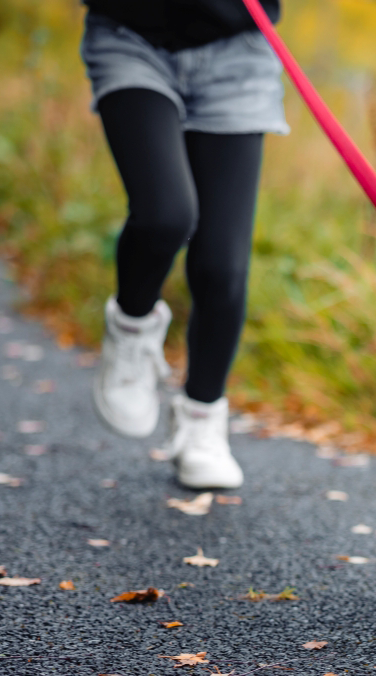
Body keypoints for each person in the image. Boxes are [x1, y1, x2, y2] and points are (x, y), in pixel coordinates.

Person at [79, 0, 286, 489]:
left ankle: (202, 420)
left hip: (239, 50)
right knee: (165, 215)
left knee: (222, 264)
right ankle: (131, 329)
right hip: (132, 38)